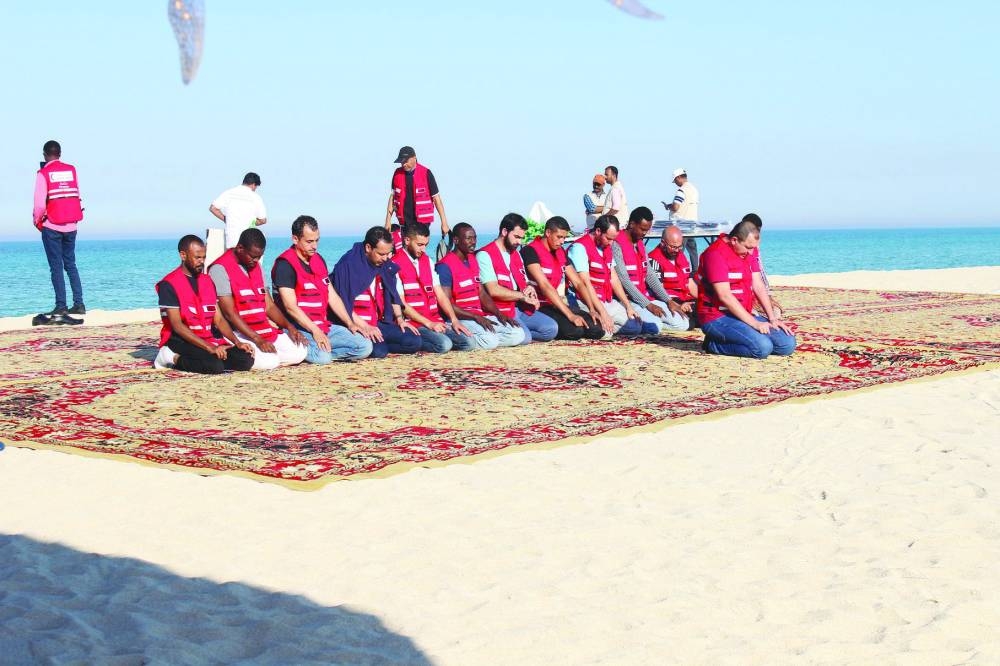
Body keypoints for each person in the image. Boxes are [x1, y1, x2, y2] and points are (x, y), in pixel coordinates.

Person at [271, 215, 373, 364]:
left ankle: (324, 351)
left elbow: (332, 296)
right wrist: (315, 331)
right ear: (295, 239)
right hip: (299, 327)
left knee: (364, 346)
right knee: (322, 358)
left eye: (317, 240)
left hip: (323, 325)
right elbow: (290, 307)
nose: (314, 246)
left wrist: (350, 323)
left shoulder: (319, 260)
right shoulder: (285, 265)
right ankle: (317, 352)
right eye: (309, 241)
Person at [208, 228, 308, 369]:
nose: (256, 261)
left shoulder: (256, 266)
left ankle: (269, 357)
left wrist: (289, 327)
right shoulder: (219, 268)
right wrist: (258, 339)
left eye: (259, 257)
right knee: (269, 362)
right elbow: (229, 314)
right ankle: (251, 357)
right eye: (253, 256)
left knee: (300, 352)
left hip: (263, 329)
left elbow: (269, 306)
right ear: (240, 248)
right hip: (239, 333)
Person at [154, 235, 255, 374]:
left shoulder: (207, 281)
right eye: (197, 258)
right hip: (181, 340)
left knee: (245, 360)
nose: (202, 262)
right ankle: (170, 357)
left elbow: (218, 319)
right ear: (183, 255)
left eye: (204, 257)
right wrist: (209, 348)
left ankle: (206, 358)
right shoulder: (169, 284)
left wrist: (237, 342)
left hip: (206, 336)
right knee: (214, 366)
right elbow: (177, 325)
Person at [697, 220, 796, 359]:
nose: (751, 253)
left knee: (787, 345)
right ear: (734, 240)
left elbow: (758, 284)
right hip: (716, 316)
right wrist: (754, 323)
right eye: (748, 248)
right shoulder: (714, 254)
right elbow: (724, 296)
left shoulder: (750, 251)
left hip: (742, 312)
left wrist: (772, 318)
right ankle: (713, 345)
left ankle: (740, 338)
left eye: (753, 248)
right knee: (762, 348)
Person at [332, 226, 423, 359]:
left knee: (414, 341)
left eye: (388, 253)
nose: (386, 258)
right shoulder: (348, 265)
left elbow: (392, 293)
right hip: (356, 322)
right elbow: (342, 304)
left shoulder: (383, 263)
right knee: (379, 351)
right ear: (368, 248)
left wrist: (399, 319)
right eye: (381, 254)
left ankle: (382, 344)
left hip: (378, 322)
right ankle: (378, 346)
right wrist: (364, 326)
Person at [392, 223, 480, 353]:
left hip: (435, 320)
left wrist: (454, 320)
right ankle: (416, 344)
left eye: (426, 245)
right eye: (420, 245)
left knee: (469, 343)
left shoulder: (427, 261)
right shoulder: (395, 264)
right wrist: (428, 323)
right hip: (416, 323)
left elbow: (440, 294)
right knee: (444, 345)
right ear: (407, 240)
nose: (424, 250)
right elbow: (402, 303)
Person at [437, 223, 526, 349]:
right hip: (461, 317)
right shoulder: (444, 266)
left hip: (479, 316)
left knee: (518, 334)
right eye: (468, 238)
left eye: (474, 238)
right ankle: (462, 338)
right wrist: (475, 317)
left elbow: (482, 293)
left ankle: (483, 338)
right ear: (456, 240)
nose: (473, 242)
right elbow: (445, 303)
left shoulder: (472, 259)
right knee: (490, 341)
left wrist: (498, 314)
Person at [477, 213, 559, 344]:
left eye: (521, 238)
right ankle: (511, 335)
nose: (519, 242)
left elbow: (523, 280)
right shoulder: (485, 255)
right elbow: (493, 290)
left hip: (519, 308)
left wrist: (530, 287)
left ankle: (519, 334)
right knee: (524, 337)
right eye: (516, 237)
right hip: (499, 310)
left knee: (551, 329)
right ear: (504, 231)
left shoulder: (516, 254)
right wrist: (522, 296)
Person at [521, 216, 605, 341]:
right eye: (559, 237)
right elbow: (545, 286)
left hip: (555, 304)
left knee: (596, 329)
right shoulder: (530, 250)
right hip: (538, 305)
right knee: (575, 331)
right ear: (548, 233)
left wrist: (592, 309)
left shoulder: (561, 252)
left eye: (564, 238)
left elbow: (578, 283)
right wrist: (570, 315)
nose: (562, 241)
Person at [567, 215, 646, 337]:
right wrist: (602, 313)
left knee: (635, 326)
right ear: (598, 231)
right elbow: (585, 284)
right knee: (605, 333)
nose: (611, 243)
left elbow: (613, 279)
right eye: (608, 238)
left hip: (606, 300)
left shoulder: (607, 247)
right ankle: (599, 326)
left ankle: (606, 325)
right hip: (586, 301)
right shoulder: (579, 248)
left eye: (614, 239)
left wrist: (628, 306)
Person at [612, 207, 689, 332]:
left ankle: (651, 323)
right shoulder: (617, 244)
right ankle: (646, 324)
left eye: (647, 230)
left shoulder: (640, 244)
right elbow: (624, 280)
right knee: (654, 326)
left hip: (645, 297)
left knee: (683, 323)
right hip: (628, 300)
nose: (644, 233)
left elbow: (650, 274)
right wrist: (648, 305)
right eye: (642, 229)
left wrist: (668, 300)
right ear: (631, 224)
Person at [34, 140, 85, 317]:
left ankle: (61, 305)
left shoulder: (43, 173)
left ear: (45, 155)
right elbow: (76, 193)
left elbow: (40, 204)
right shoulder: (71, 170)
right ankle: (79, 303)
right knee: (70, 264)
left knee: (56, 266)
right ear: (60, 154)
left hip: (53, 225)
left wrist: (36, 221)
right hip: (71, 224)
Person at [384, 146, 450, 252]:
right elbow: (392, 197)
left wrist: (444, 222)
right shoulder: (397, 174)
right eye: (401, 162)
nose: (403, 164)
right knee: (406, 249)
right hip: (405, 221)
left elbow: (437, 199)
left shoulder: (426, 173)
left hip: (422, 222)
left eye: (405, 161)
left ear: (414, 158)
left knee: (418, 249)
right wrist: (388, 221)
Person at [647, 225, 698, 329]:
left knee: (709, 310)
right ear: (663, 243)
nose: (677, 250)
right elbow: (658, 291)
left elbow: (689, 283)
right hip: (668, 300)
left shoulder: (681, 256)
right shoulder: (653, 260)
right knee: (686, 323)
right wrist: (677, 304)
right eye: (673, 247)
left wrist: (703, 298)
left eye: (680, 247)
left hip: (685, 298)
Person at [740, 213, 784, 318]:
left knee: (775, 311)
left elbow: (759, 271)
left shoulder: (754, 247)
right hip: (739, 292)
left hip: (753, 290)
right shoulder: (734, 246)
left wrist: (766, 293)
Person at [209, 172, 267, 248]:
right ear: (253, 184)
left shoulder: (229, 193)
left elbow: (213, 208)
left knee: (231, 258)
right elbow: (263, 220)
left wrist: (226, 219)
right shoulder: (255, 197)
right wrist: (252, 221)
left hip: (231, 238)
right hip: (248, 240)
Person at [664, 168, 701, 269]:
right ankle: (695, 270)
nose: (675, 183)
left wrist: (669, 206)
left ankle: (677, 270)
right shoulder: (694, 189)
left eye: (675, 180)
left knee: (679, 250)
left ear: (679, 177)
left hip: (681, 225)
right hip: (692, 224)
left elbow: (676, 206)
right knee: (692, 249)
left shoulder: (681, 190)